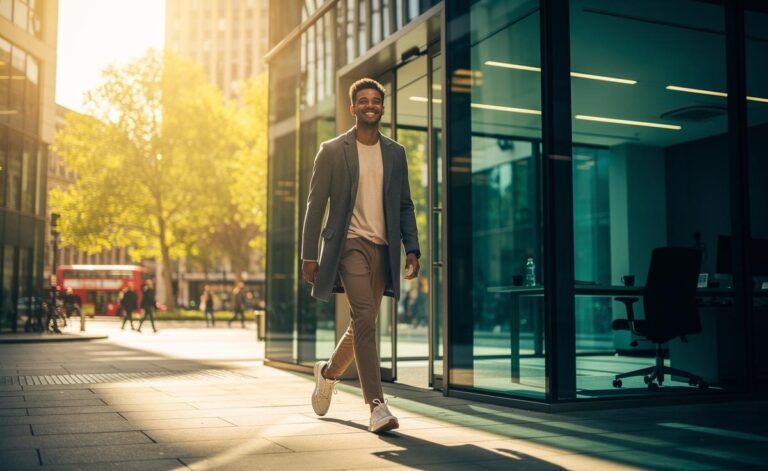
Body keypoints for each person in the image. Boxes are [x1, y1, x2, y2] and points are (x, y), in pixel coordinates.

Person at [302, 78, 420, 434]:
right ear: (352, 107)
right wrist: (309, 254)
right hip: (348, 246)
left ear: (382, 107)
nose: (370, 105)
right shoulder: (333, 150)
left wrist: (411, 248)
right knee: (366, 316)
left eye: (376, 101)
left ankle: (329, 373)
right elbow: (315, 204)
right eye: (363, 101)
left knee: (362, 325)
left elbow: (404, 204)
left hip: (382, 249)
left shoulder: (396, 153)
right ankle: (376, 406)